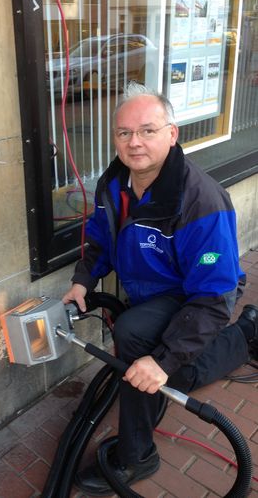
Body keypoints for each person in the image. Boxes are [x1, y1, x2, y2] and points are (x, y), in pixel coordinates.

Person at [62, 81, 258, 496]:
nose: (135, 143)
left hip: (198, 294)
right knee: (175, 369)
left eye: (148, 130)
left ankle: (138, 456)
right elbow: (101, 239)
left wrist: (161, 361)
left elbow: (213, 296)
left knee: (139, 340)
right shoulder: (113, 185)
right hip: (151, 293)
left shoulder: (201, 200)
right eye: (124, 133)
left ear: (172, 133)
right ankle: (245, 334)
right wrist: (83, 280)